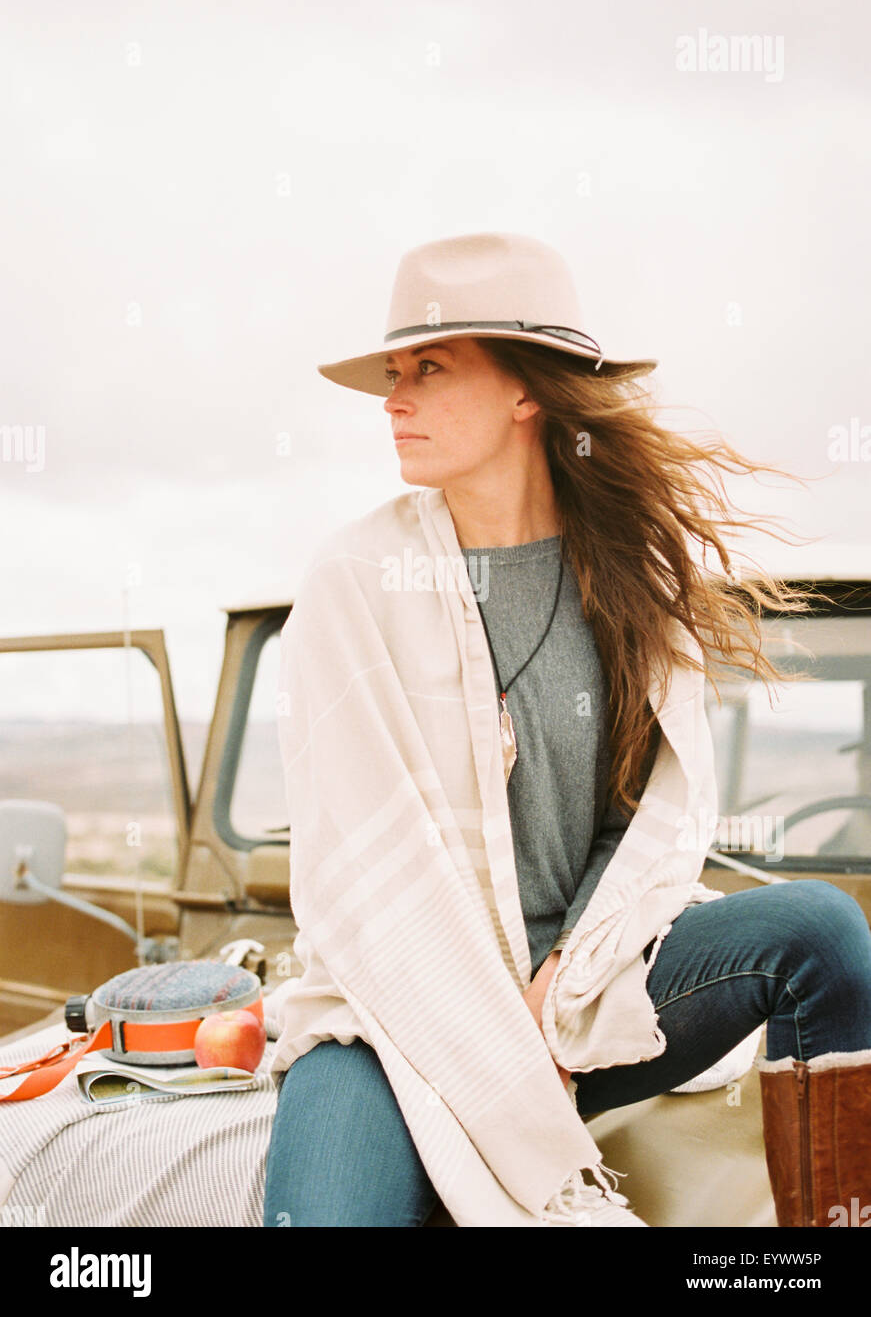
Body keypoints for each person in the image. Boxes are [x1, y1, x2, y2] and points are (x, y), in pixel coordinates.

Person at [263, 232, 871, 1228]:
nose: (392, 398)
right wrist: (500, 1043)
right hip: (393, 1020)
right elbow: (364, 891)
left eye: (430, 367)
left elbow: (639, 824)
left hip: (585, 999)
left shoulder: (625, 580)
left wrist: (558, 986)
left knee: (822, 931)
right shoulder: (353, 585)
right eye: (392, 371)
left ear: (527, 391)